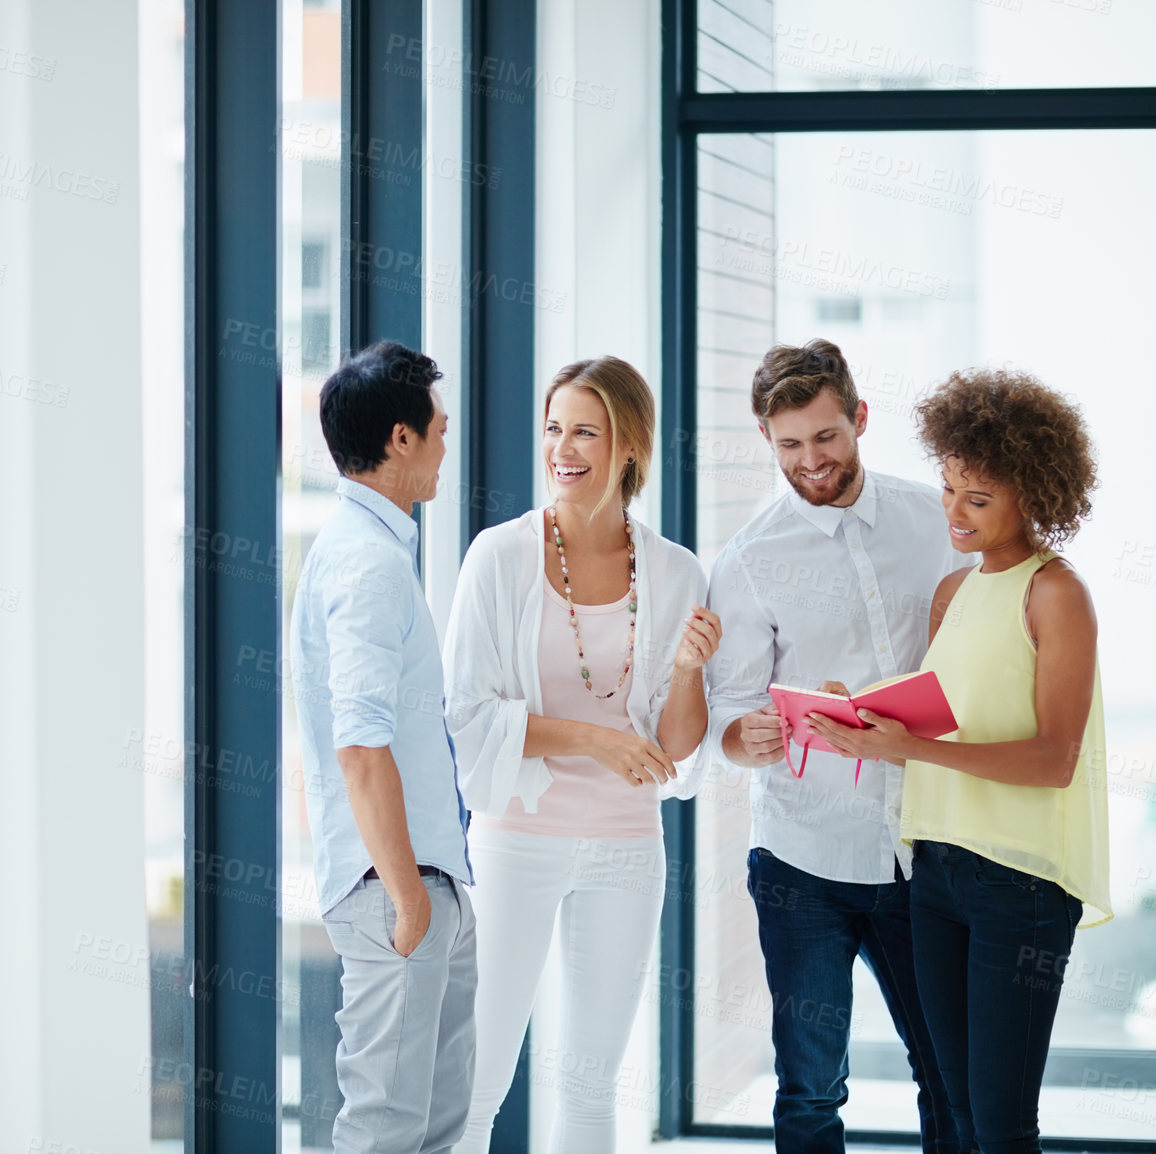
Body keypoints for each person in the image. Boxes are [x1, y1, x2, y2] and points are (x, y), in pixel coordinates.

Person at [807, 368, 1111, 1154]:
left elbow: (1053, 758)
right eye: (948, 489)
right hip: (936, 873)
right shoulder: (953, 594)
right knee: (959, 1115)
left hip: (1021, 887)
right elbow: (938, 714)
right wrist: (857, 709)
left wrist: (905, 745)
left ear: (1032, 493)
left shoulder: (1055, 594)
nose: (954, 512)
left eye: (978, 498)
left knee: (1004, 1126)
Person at [445, 357, 721, 1153]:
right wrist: (593, 739)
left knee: (592, 1089)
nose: (562, 447)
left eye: (585, 431)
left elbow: (671, 750)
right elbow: (466, 711)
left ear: (628, 445)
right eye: (554, 428)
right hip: (516, 842)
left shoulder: (676, 572)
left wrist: (688, 671)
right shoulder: (499, 556)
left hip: (626, 850)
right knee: (478, 1083)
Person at [705, 339, 962, 1154]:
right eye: (788, 445)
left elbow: (980, 665)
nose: (810, 461)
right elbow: (731, 718)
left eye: (825, 438)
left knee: (947, 1074)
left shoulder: (937, 521)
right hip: (801, 860)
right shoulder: (748, 559)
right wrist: (745, 736)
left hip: (922, 851)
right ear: (767, 440)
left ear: (858, 418)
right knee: (810, 1088)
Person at [289, 340, 476, 1154]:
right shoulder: (366, 565)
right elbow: (360, 748)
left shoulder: (375, 552)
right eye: (438, 425)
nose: (446, 441)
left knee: (431, 1127)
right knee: (386, 1130)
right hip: (393, 889)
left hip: (423, 880)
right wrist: (408, 901)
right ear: (401, 438)